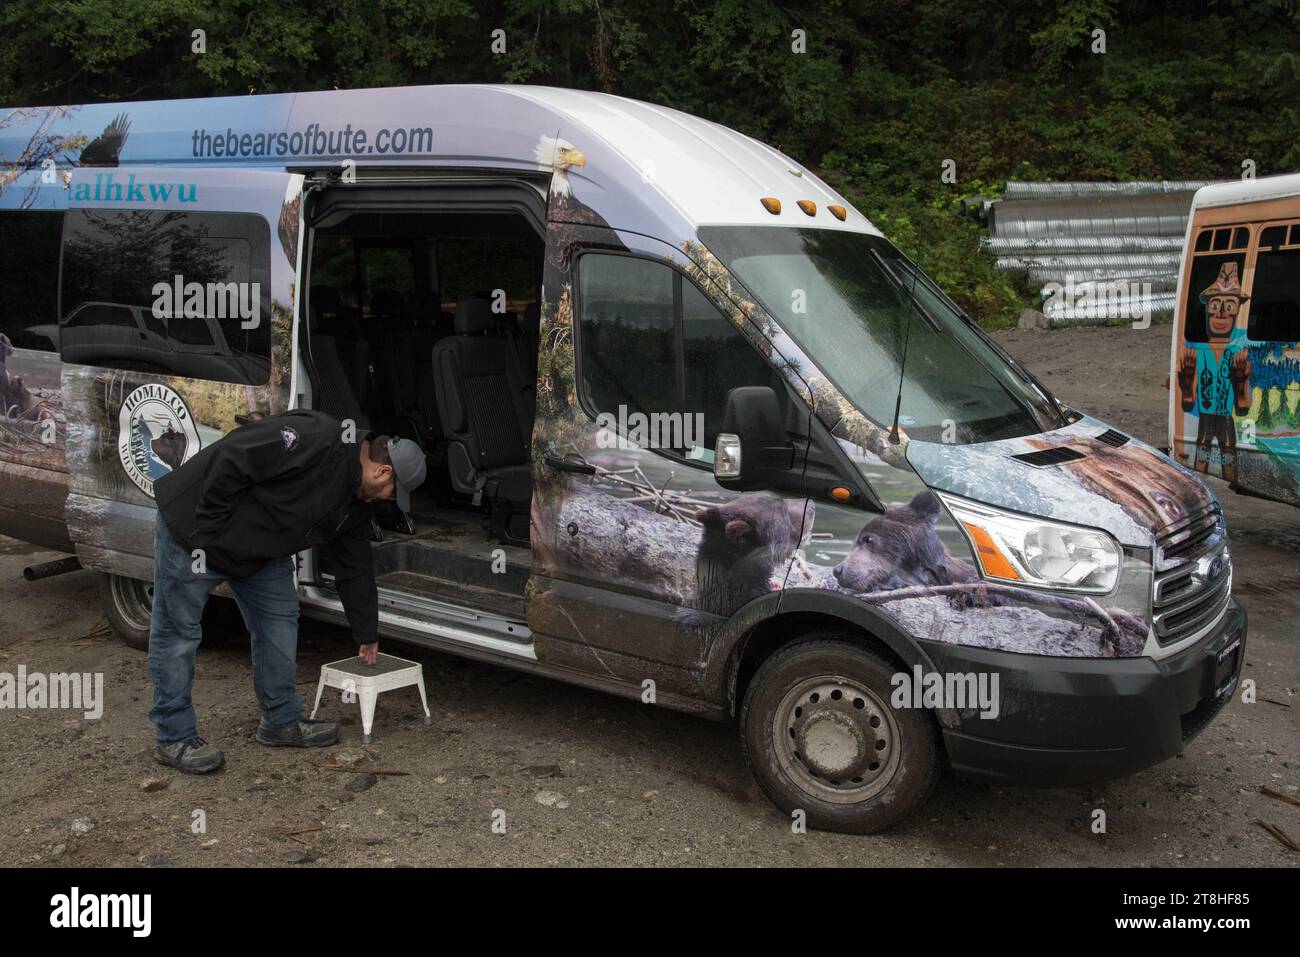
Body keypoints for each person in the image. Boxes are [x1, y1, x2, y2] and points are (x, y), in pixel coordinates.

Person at [147, 409, 428, 773]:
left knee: (279, 624)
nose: (387, 500)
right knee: (178, 635)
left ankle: (280, 722)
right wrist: (212, 527)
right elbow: (235, 454)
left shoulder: (355, 505)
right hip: (195, 531)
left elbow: (354, 566)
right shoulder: (319, 438)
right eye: (392, 493)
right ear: (383, 472)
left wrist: (366, 632)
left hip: (259, 550)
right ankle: (174, 737)